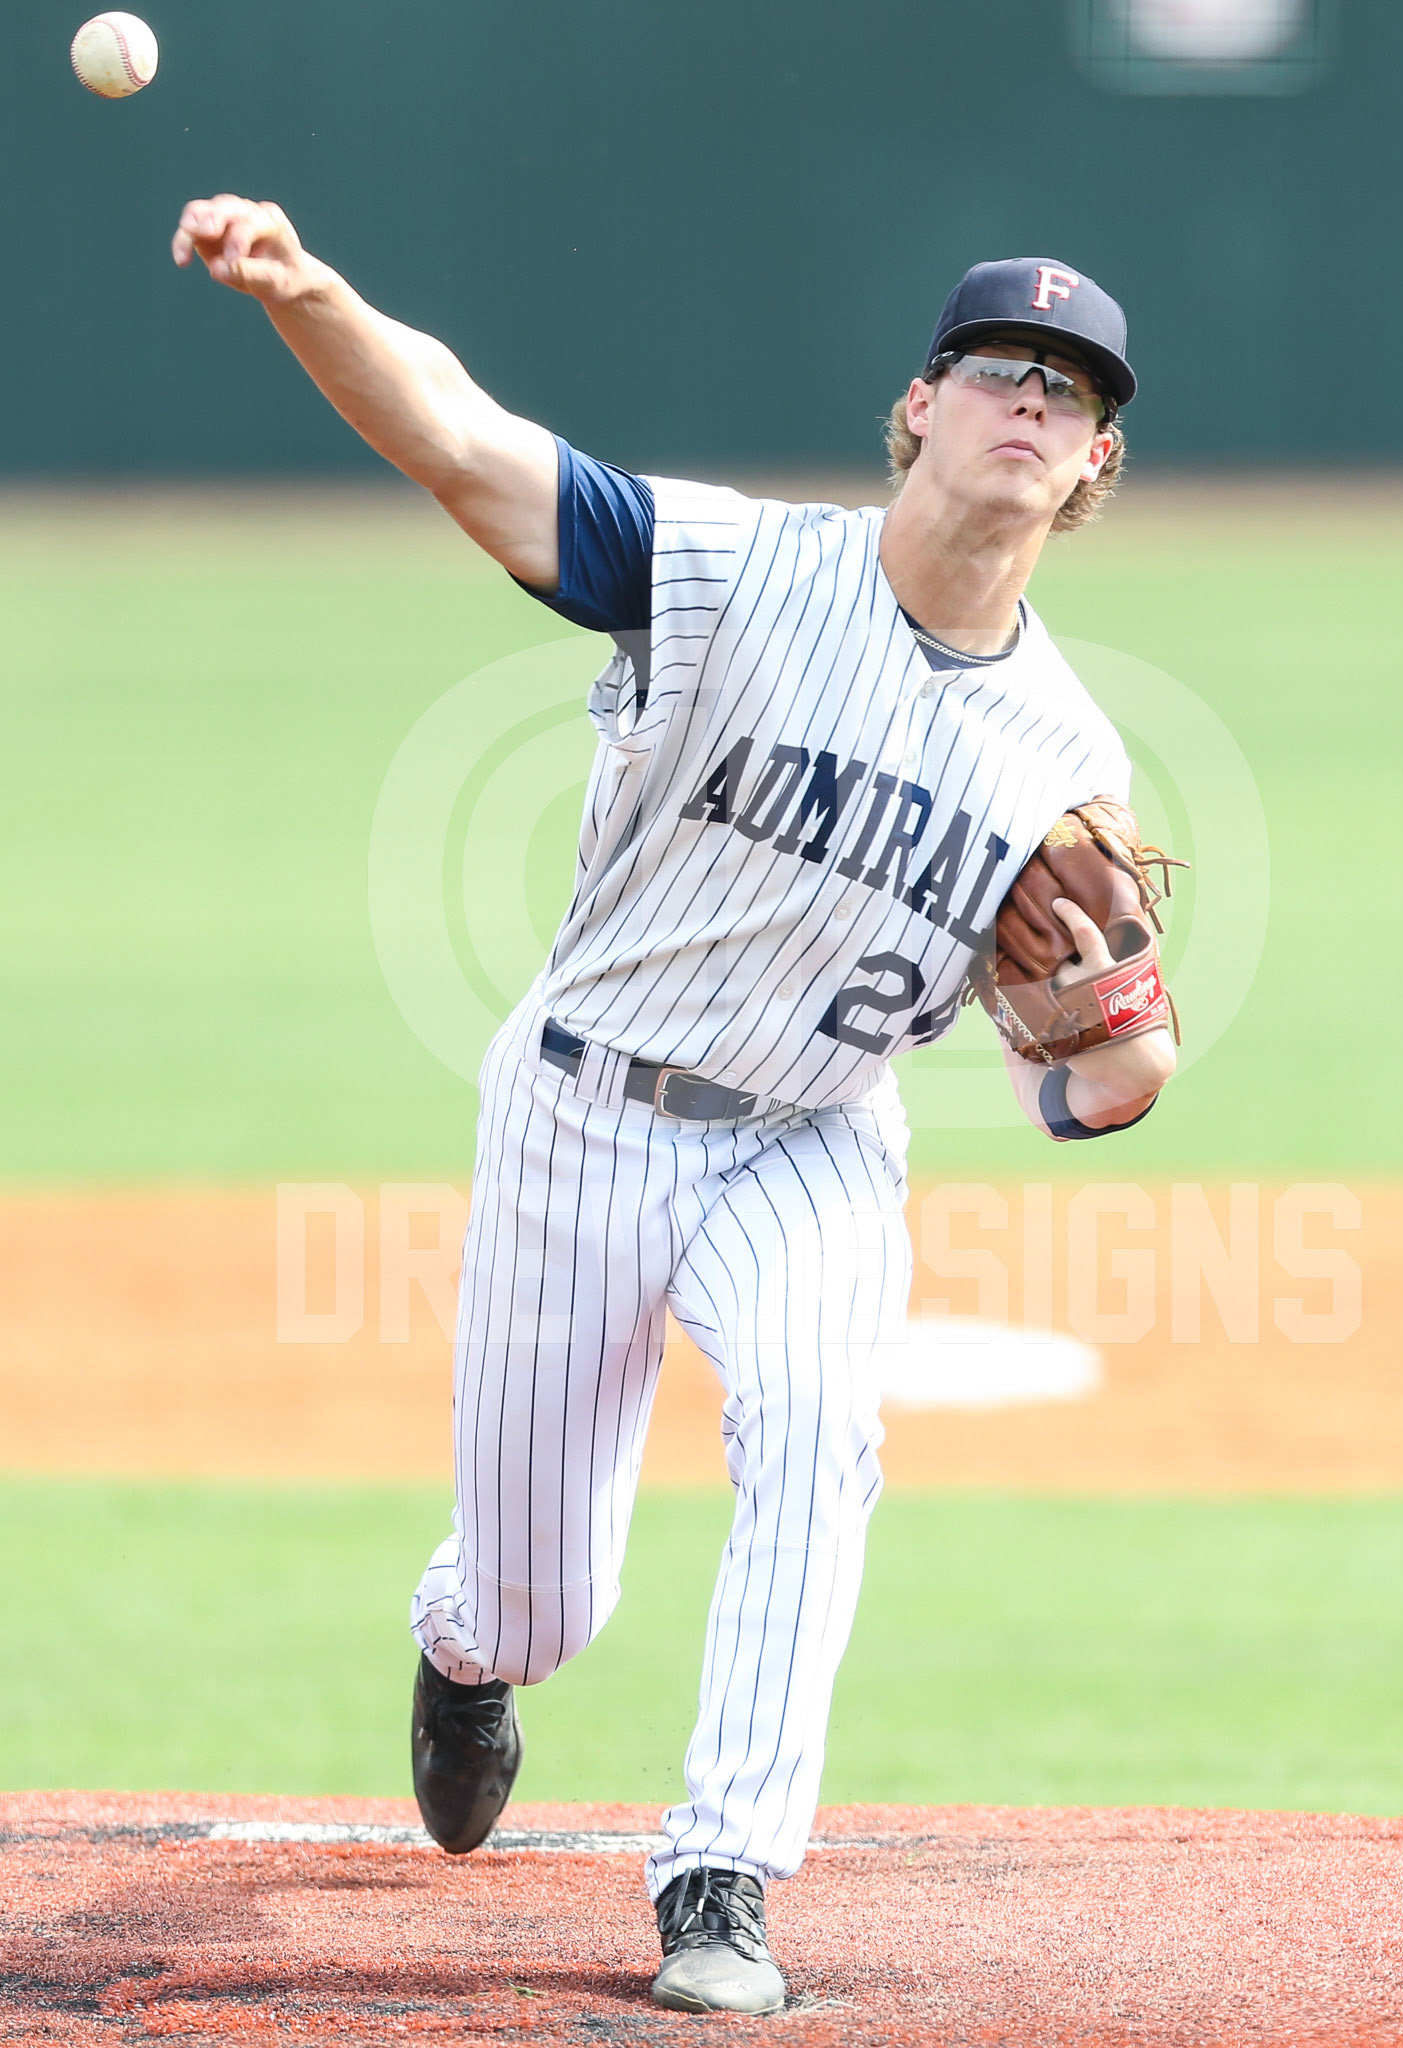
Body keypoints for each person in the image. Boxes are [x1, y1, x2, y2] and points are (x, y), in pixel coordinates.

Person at [172, 198, 1178, 2015]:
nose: (1031, 402)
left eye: (1071, 391)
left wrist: (1116, 1061)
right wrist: (303, 289)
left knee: (820, 1423)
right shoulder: (721, 566)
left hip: (812, 1135)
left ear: (1095, 460)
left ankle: (722, 1874)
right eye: (997, 369)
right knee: (540, 1602)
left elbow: (1084, 1079)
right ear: (921, 405)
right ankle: (464, 1643)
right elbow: (460, 440)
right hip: (581, 1114)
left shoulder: (1068, 760)